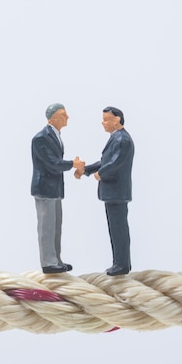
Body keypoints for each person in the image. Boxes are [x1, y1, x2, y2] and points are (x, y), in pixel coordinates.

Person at [75, 106, 134, 276]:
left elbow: (115, 163)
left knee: (118, 230)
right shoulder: (116, 138)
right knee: (115, 229)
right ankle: (120, 262)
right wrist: (86, 170)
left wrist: (100, 174)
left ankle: (122, 264)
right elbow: (104, 161)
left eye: (106, 119)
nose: (103, 123)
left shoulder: (122, 139)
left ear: (117, 119)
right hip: (113, 192)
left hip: (117, 192)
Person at [31, 103, 84, 274]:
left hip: (54, 189)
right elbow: (52, 164)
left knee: (55, 226)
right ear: (53, 118)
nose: (67, 117)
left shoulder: (55, 136)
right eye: (63, 115)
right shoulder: (41, 138)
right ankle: (48, 262)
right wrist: (73, 164)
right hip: (45, 189)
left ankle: (56, 259)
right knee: (46, 227)